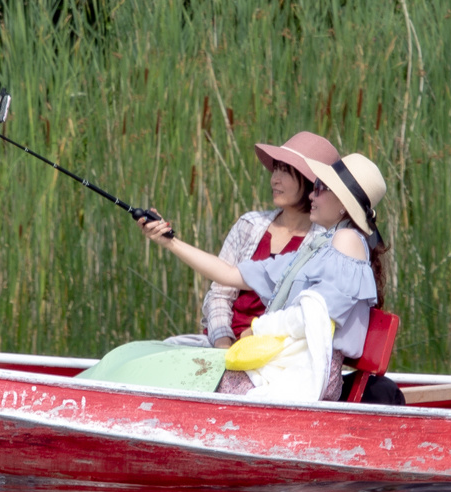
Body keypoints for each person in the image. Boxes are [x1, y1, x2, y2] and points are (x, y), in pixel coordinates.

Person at [141, 152, 387, 401]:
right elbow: (230, 274)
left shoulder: (346, 241)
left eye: (321, 188)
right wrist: (170, 242)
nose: (312, 194)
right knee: (190, 372)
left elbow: (313, 315)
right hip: (288, 363)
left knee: (195, 379)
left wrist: (256, 329)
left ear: (343, 203)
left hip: (306, 373)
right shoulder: (321, 247)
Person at [166, 132, 336, 349]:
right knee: (164, 349)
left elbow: (298, 317)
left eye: (286, 171)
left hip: (270, 353)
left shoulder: (321, 245)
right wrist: (222, 342)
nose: (275, 179)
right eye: (275, 169)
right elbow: (220, 292)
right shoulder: (250, 225)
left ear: (310, 183)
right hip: (220, 343)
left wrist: (250, 342)